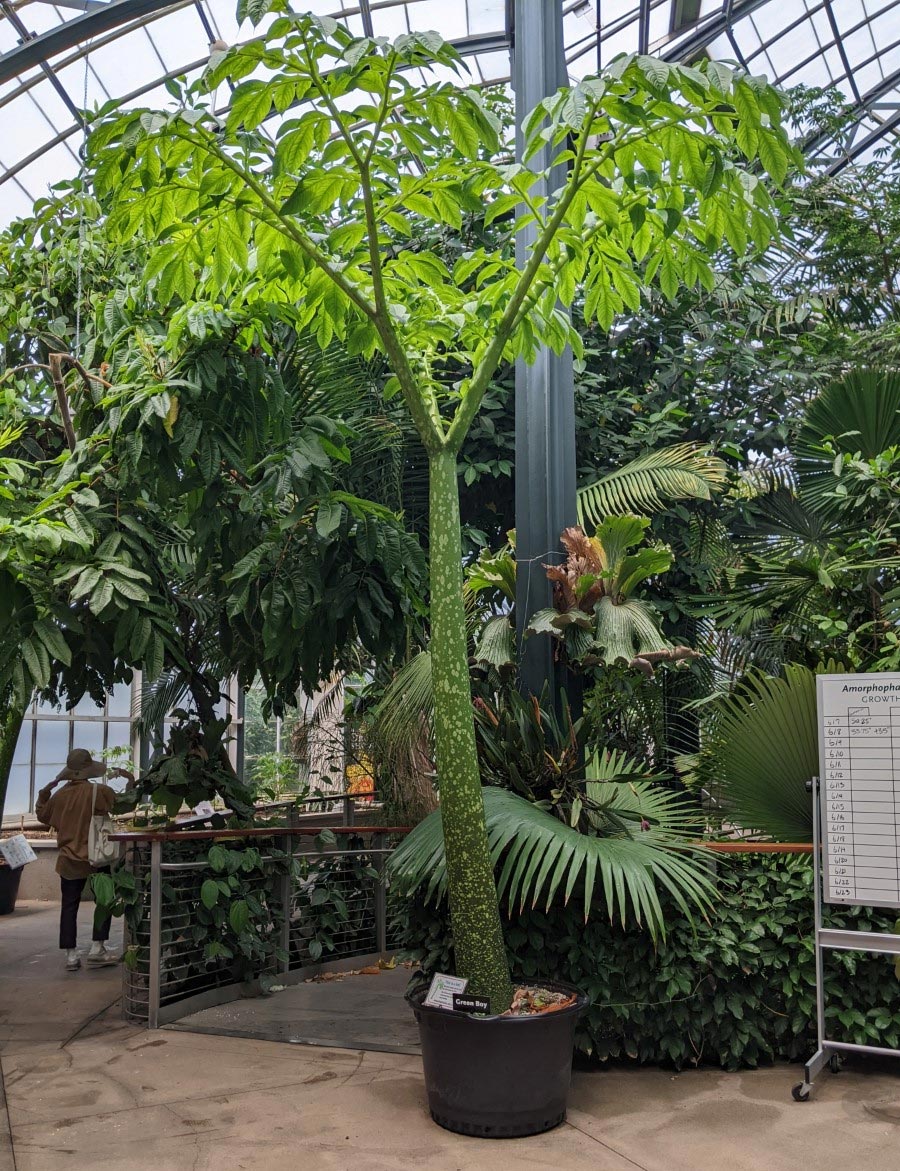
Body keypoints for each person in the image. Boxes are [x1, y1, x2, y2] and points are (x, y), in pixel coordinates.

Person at [35, 748, 134, 973]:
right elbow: (126, 804)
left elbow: (42, 815)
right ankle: (97, 948)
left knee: (69, 906)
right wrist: (130, 780)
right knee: (104, 901)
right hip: (96, 857)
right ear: (88, 769)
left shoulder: (59, 796)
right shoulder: (98, 791)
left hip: (68, 859)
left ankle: (71, 956)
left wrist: (44, 794)